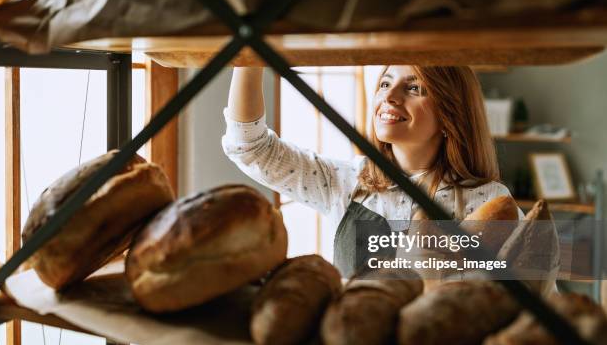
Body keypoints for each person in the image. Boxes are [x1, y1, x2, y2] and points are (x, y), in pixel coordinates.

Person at [222, 65, 523, 278]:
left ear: (451, 115)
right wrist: (249, 61)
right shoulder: (343, 182)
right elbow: (251, 148)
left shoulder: (490, 202)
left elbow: (530, 290)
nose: (389, 97)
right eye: (384, 83)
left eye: (414, 88)